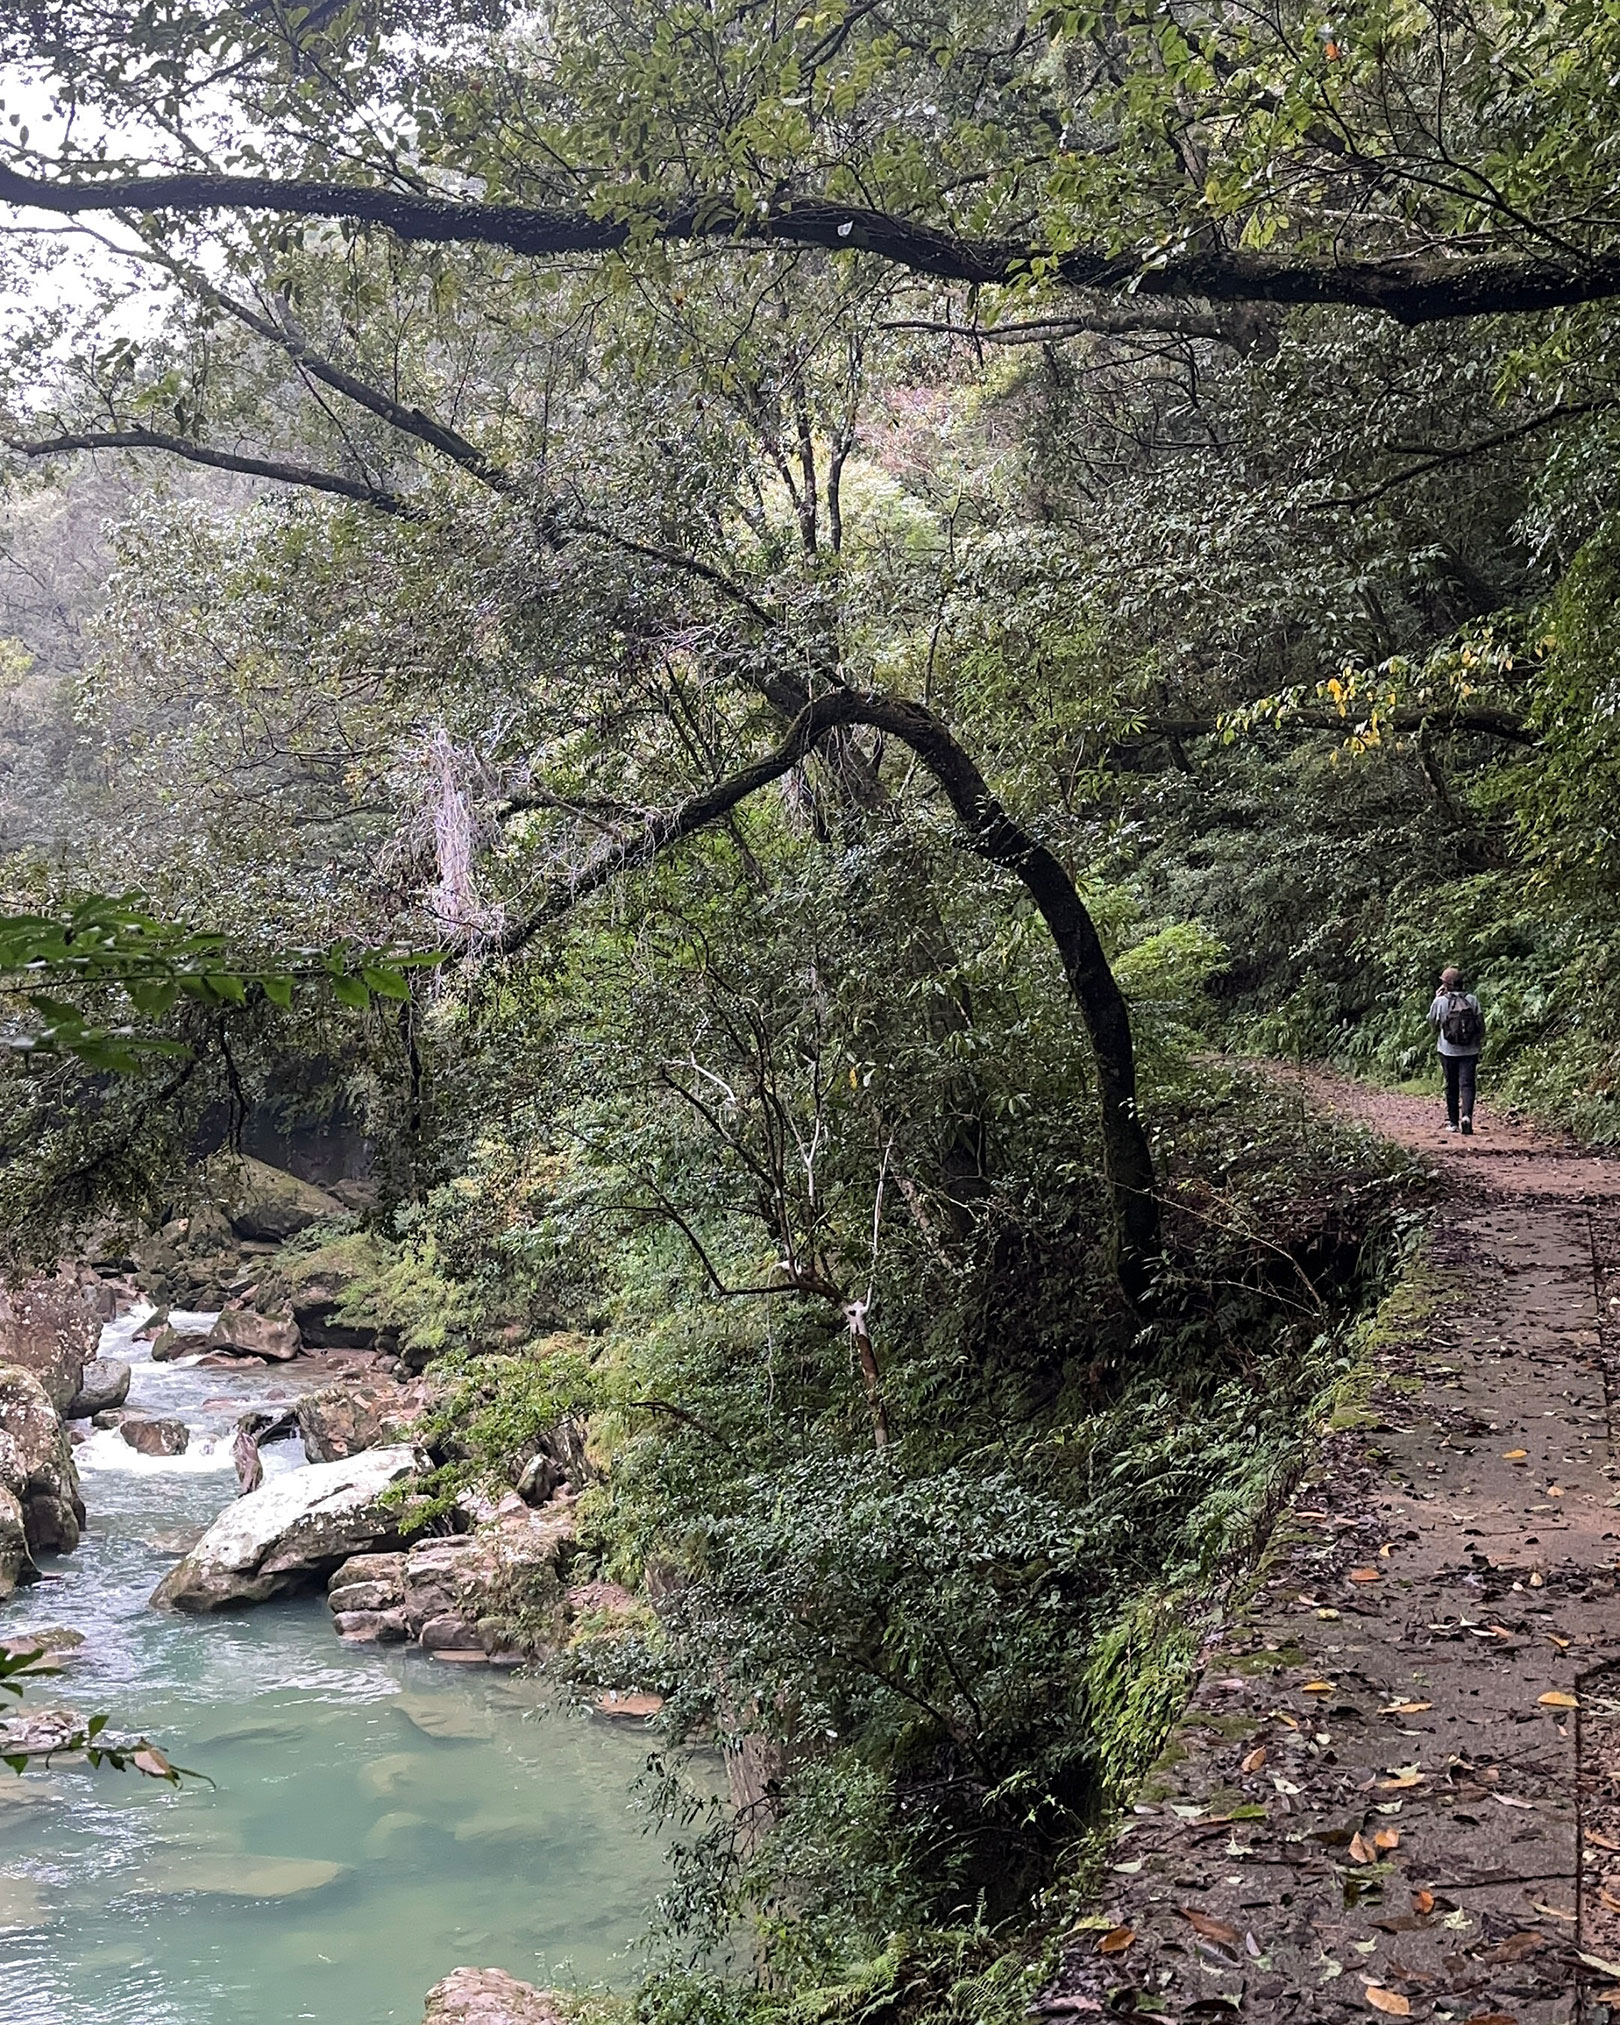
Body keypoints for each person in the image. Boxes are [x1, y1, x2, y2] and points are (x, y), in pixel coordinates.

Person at [1428, 965, 1485, 1135]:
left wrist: (1436, 999)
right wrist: (1477, 1042)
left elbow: (1431, 1021)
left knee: (1451, 1085)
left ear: (1446, 984)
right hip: (1470, 1050)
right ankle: (1466, 1117)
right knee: (1467, 1085)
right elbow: (1481, 1024)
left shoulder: (1440, 1002)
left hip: (1447, 1050)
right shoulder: (1472, 1000)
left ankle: (1453, 1122)